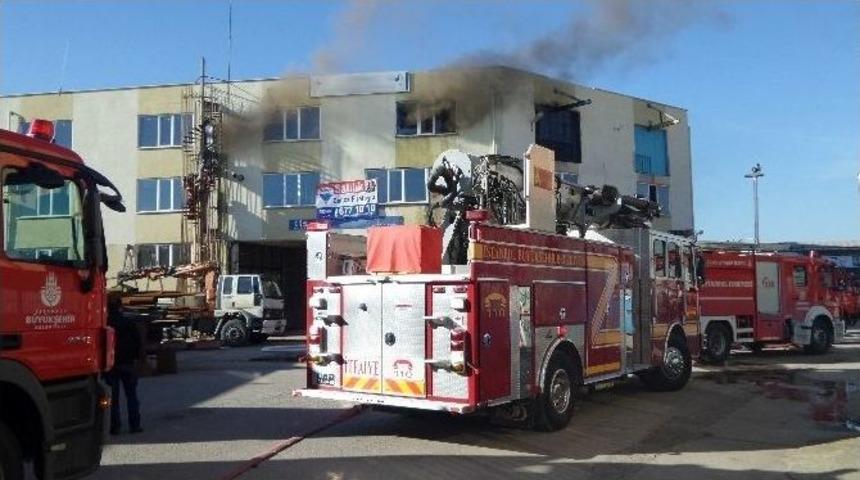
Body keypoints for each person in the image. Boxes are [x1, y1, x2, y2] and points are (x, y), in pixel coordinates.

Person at [104, 295, 143, 434]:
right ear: (121, 307)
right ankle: (135, 425)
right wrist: (137, 359)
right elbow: (138, 342)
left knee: (113, 398)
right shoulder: (128, 322)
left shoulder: (105, 323)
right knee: (131, 396)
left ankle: (115, 426)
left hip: (111, 364)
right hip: (127, 363)